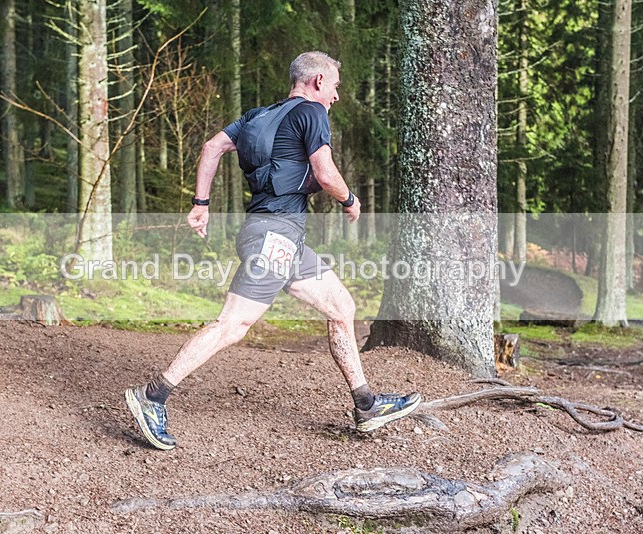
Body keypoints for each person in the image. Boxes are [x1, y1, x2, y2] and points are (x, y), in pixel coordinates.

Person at [125, 51, 421, 451]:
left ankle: (366, 404)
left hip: (281, 237)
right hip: (274, 238)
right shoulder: (312, 113)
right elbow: (324, 172)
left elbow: (212, 148)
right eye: (334, 87)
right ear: (318, 81)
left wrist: (201, 203)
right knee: (233, 325)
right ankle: (153, 395)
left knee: (342, 308)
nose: (335, 96)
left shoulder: (255, 116)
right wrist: (350, 200)